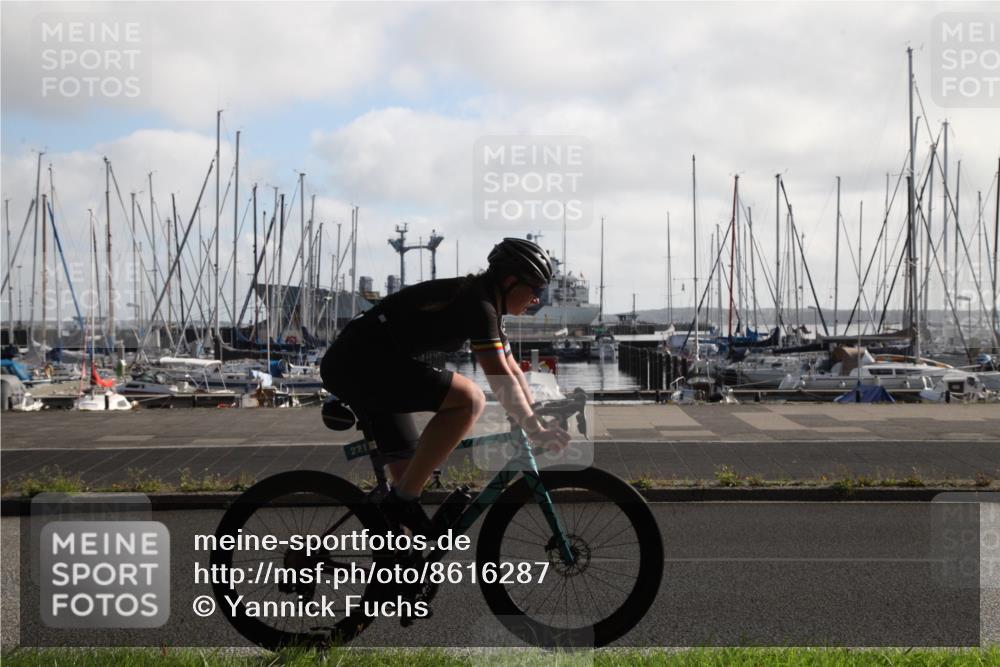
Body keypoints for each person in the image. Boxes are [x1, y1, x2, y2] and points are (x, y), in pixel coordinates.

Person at [321, 238, 571, 535]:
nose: (537, 300)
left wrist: (534, 416)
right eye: (536, 290)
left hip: (376, 366)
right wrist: (533, 428)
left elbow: (513, 370)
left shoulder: (487, 303)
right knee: (470, 400)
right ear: (509, 281)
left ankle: (396, 572)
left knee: (410, 479)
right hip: (359, 366)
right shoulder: (477, 304)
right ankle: (402, 505)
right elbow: (498, 374)